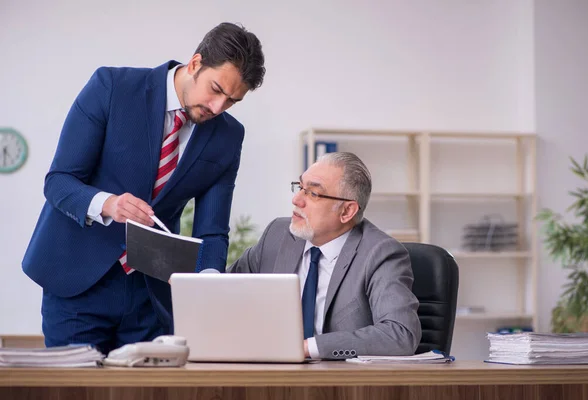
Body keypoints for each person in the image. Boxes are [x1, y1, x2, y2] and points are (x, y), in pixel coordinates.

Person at [22, 22, 266, 354]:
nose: (218, 108)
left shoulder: (227, 136)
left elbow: (212, 231)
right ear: (195, 63)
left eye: (232, 101)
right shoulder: (111, 87)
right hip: (77, 284)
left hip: (151, 297)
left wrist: (206, 285)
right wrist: (107, 204)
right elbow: (59, 181)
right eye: (215, 89)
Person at [229, 152, 421, 359]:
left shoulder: (380, 253)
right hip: (270, 372)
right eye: (300, 187)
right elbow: (224, 291)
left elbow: (400, 335)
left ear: (347, 211)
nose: (297, 200)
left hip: (342, 385)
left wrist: (306, 348)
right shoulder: (278, 234)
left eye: (313, 194)